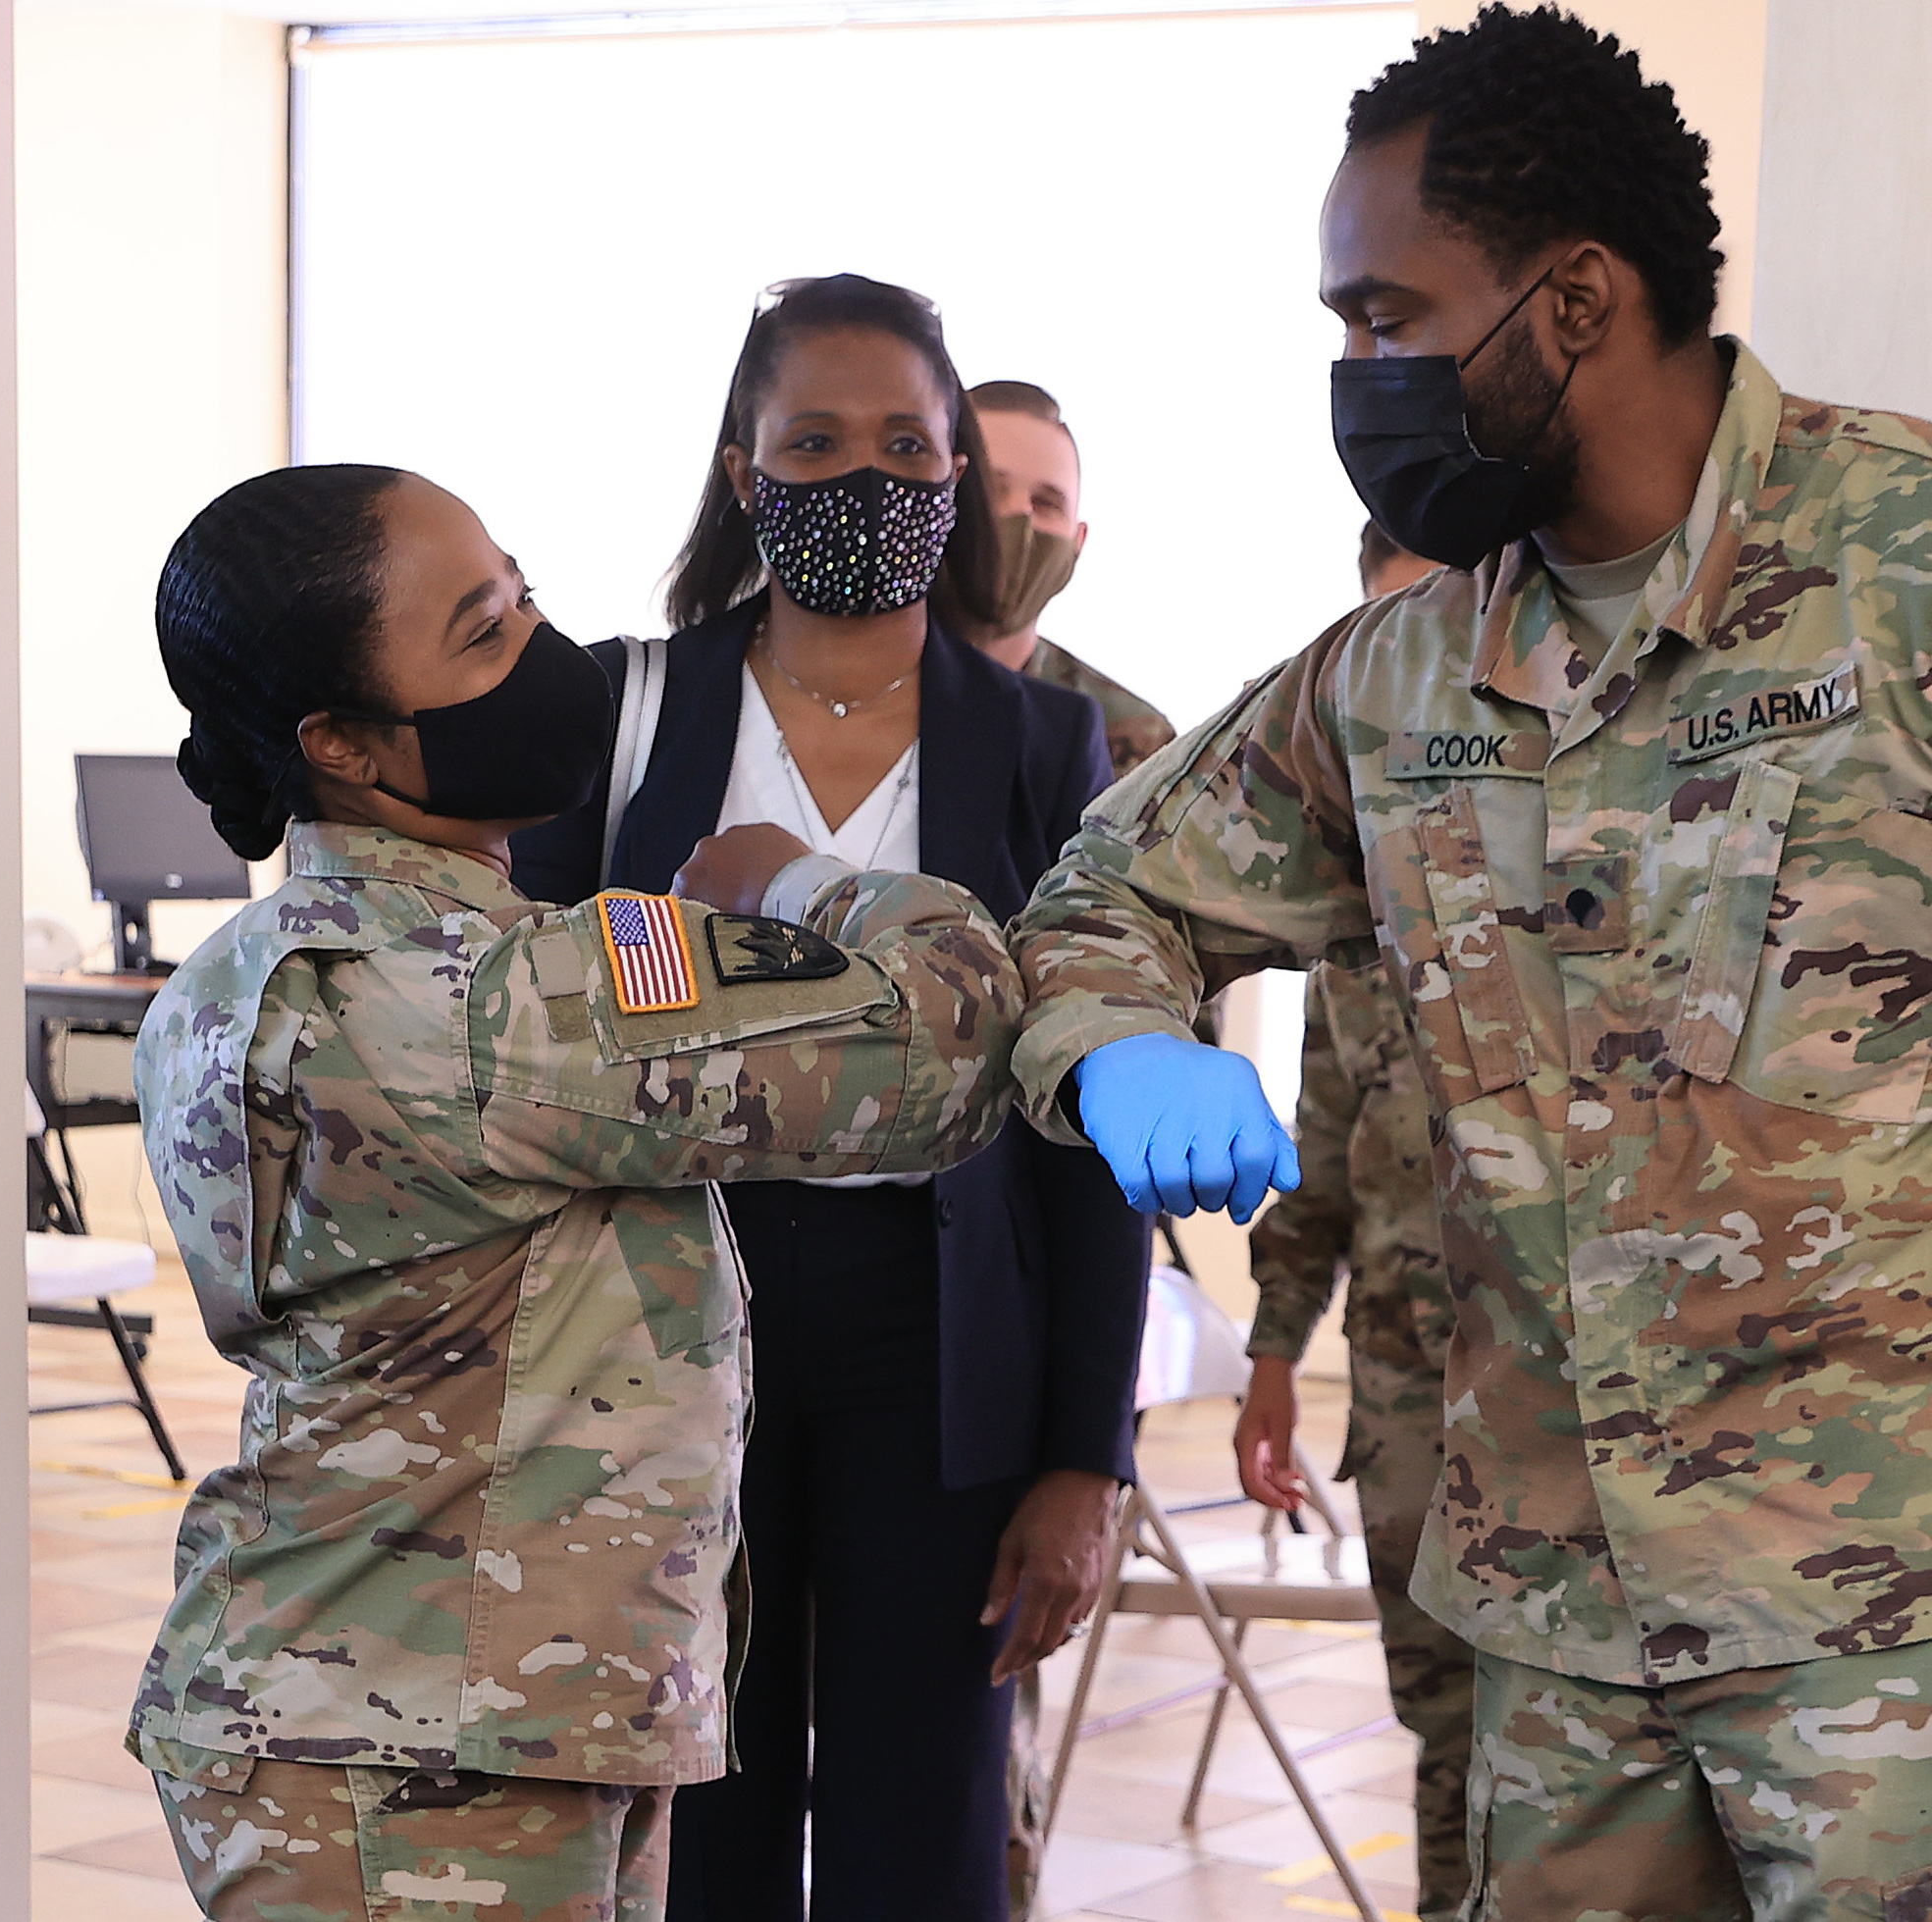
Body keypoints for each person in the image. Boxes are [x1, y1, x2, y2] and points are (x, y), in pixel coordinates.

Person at [1008, 9, 1932, 1917]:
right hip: (1563, 1640)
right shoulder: (1401, 675)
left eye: (1386, 319)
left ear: (1570, 301)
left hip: (1923, 1636)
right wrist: (1115, 1043)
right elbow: (1096, 897)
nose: (1357, 373)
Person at [130, 462, 1023, 1922]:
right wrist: (797, 880)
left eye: (522, 593)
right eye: (482, 636)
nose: (545, 653)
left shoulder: (263, 967)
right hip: (422, 1755)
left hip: (425, 1715)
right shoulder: (496, 1003)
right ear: (347, 743)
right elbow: (951, 1035)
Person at [509, 276, 1147, 1922]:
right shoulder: (625, 711)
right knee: (683, 1801)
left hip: (937, 1329)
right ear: (744, 472)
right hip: (668, 1314)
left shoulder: (1042, 742)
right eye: (815, 440)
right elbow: (526, 1040)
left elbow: (1086, 1104)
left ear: (957, 477)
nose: (864, 477)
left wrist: (1089, 1453)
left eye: (904, 445)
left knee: (922, 1817)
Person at [1234, 520, 1468, 1922]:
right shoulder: (1360, 883)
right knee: (1446, 1731)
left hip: (1581, 1406)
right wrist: (1273, 1350)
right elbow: (1321, 1139)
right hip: (1408, 1394)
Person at [966, 378, 1177, 779]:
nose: (1019, 517)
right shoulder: (842, 690)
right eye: (989, 490)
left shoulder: (1136, 744)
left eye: (1046, 504)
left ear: (1077, 542)